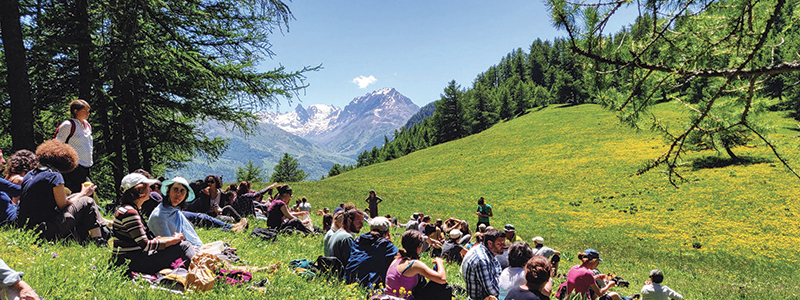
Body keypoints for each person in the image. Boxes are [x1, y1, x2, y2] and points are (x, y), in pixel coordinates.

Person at [16, 139, 106, 244]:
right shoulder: (54, 176)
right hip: (46, 230)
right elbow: (62, 205)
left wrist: (78, 195)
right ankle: (99, 239)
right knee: (87, 200)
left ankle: (93, 233)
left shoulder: (31, 174)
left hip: (28, 229)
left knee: (76, 196)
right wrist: (84, 193)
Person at [111, 173, 195, 275]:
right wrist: (174, 240)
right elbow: (146, 245)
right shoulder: (130, 212)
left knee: (180, 245)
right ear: (139, 191)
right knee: (184, 246)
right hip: (131, 262)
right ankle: (199, 272)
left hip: (131, 259)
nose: (150, 190)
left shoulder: (128, 209)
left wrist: (166, 240)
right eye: (147, 187)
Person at [383, 230, 447, 299]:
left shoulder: (396, 259)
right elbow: (442, 279)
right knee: (445, 288)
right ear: (419, 246)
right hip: (402, 298)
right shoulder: (414, 264)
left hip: (388, 297)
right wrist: (440, 262)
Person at [148, 176, 205, 248]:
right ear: (168, 192)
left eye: (182, 191)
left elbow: (189, 235)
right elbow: (168, 245)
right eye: (175, 189)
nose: (178, 194)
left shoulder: (176, 212)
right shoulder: (159, 216)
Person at [344, 217, 398, 288]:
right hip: (366, 286)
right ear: (387, 232)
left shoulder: (359, 240)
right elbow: (398, 257)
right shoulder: (385, 245)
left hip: (348, 281)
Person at [54, 99, 93, 194]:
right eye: (85, 111)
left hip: (86, 165)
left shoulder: (87, 125)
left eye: (88, 111)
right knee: (79, 194)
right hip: (73, 166)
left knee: (87, 193)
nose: (88, 113)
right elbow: (56, 144)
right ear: (76, 111)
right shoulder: (68, 125)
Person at [461, 229, 505, 300]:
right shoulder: (482, 260)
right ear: (490, 243)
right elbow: (492, 291)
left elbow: (499, 271)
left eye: (504, 243)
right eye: (500, 244)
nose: (504, 246)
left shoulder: (487, 251)